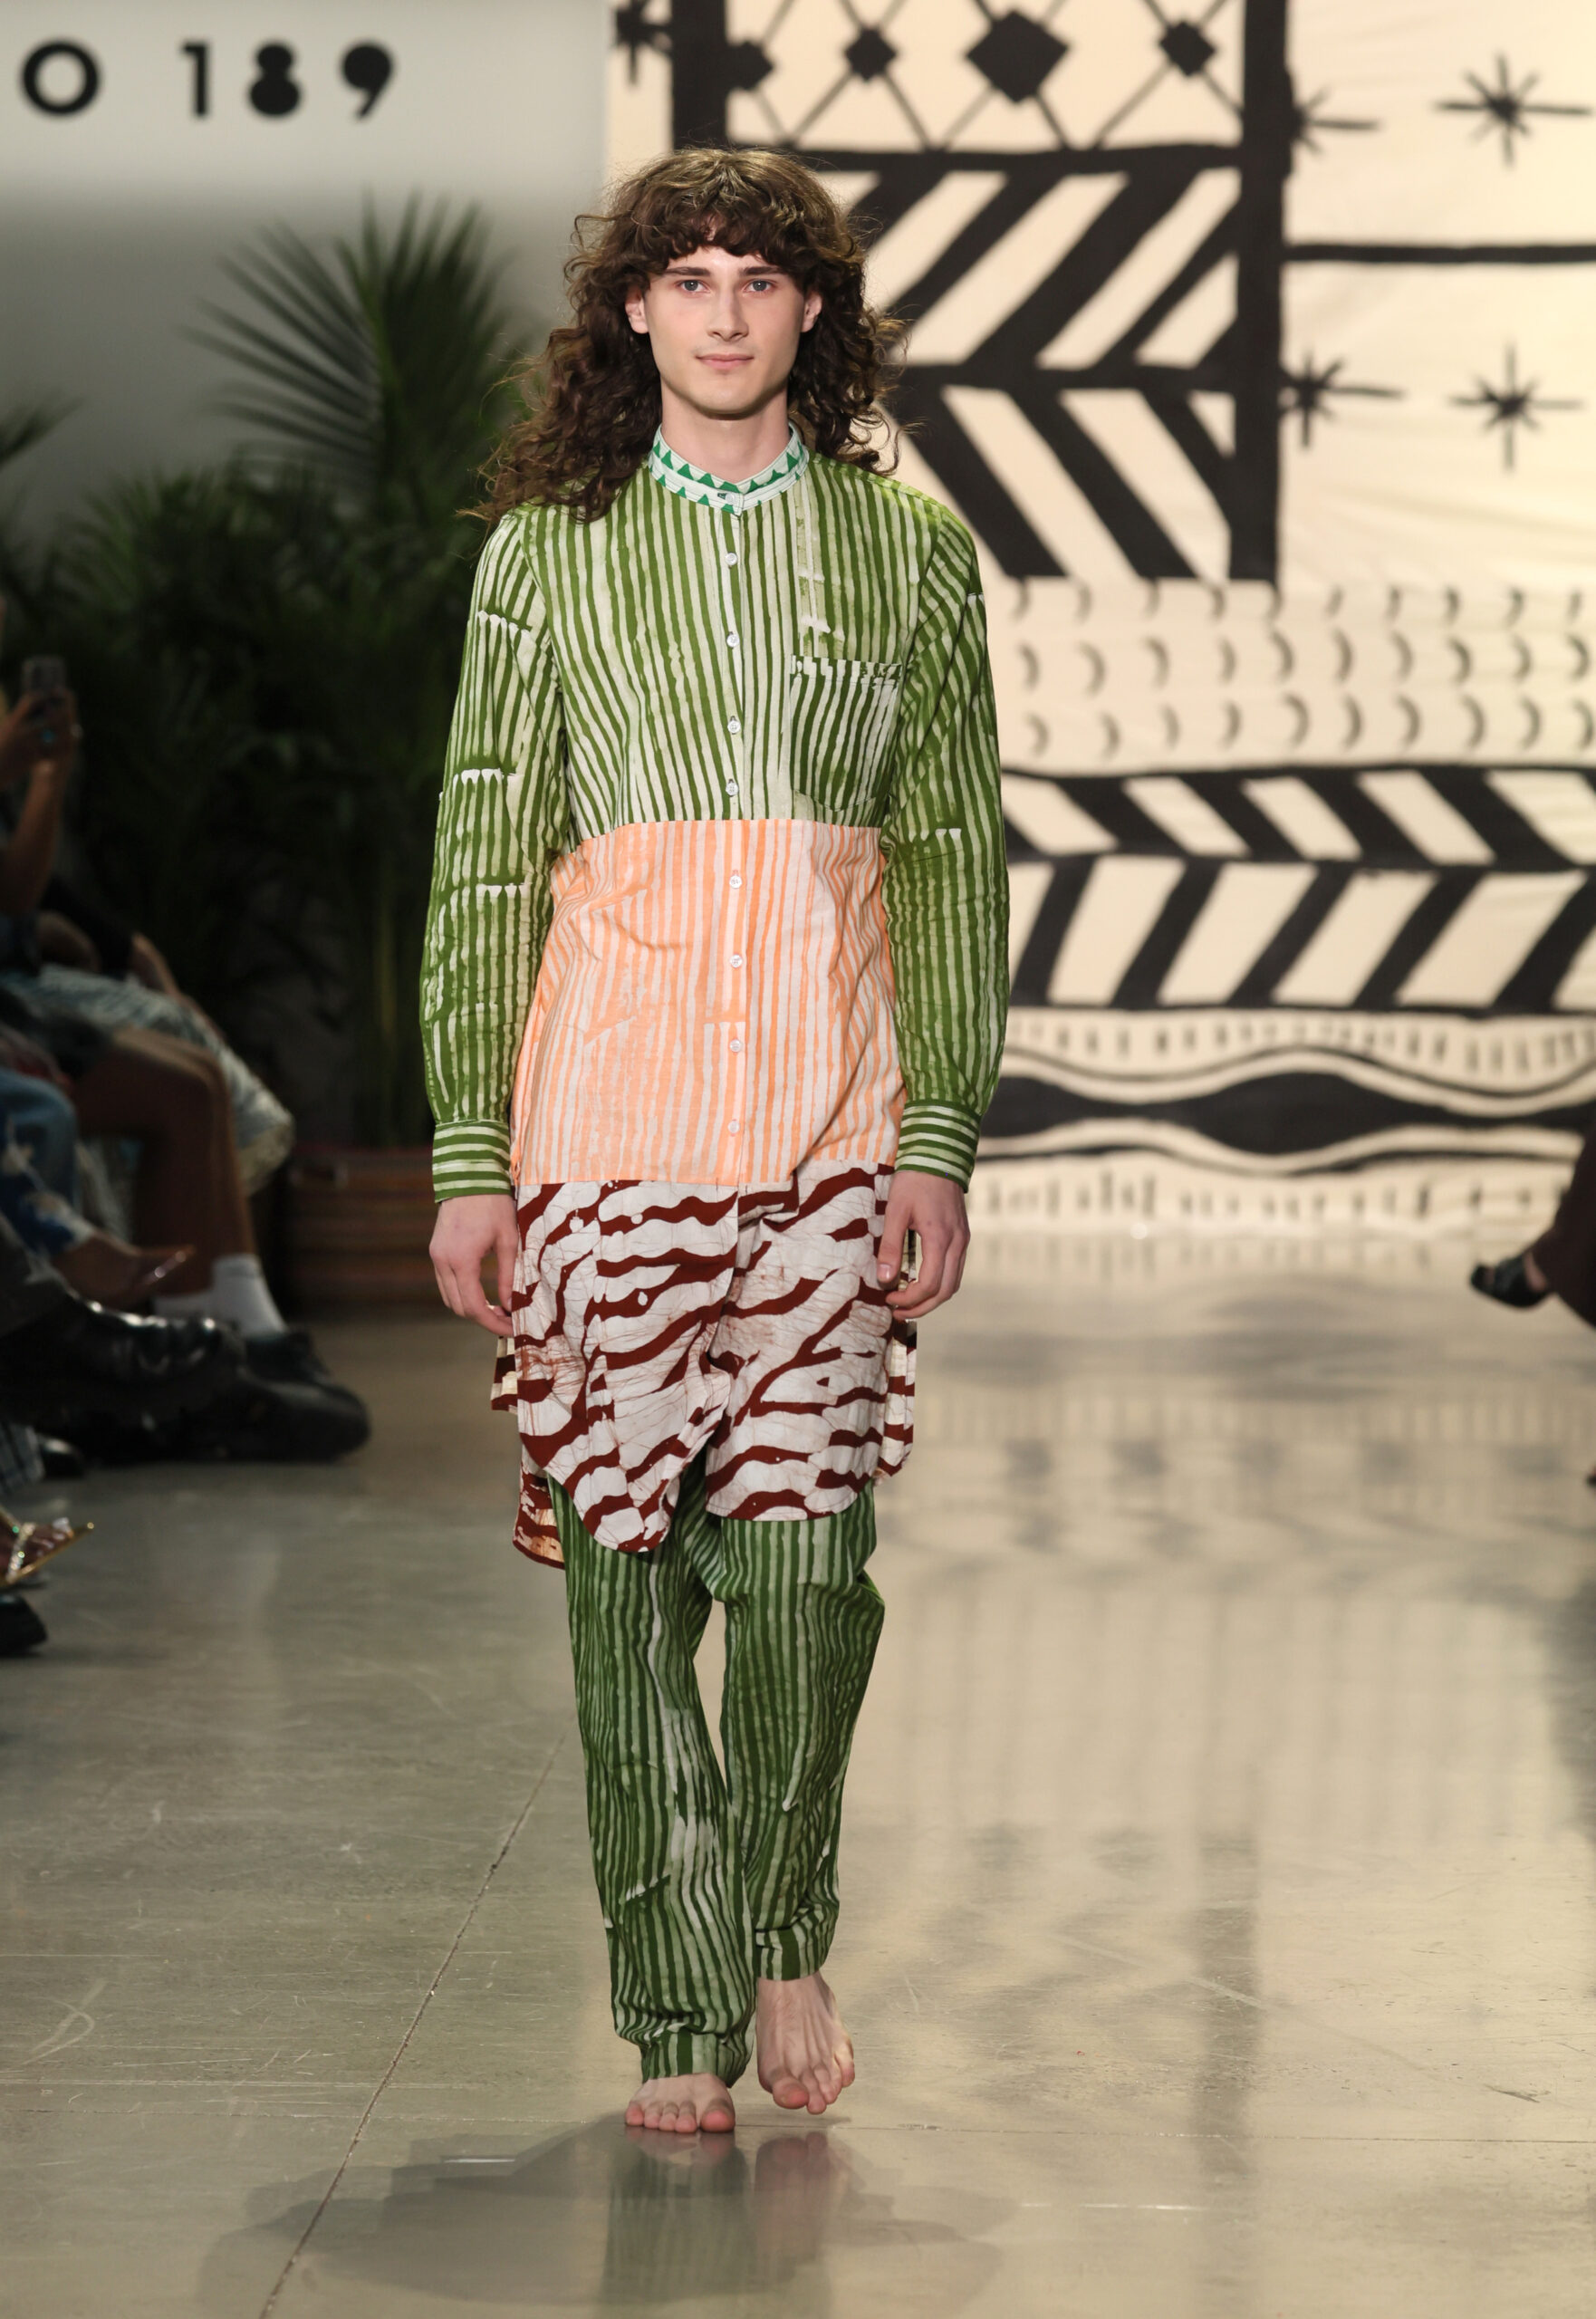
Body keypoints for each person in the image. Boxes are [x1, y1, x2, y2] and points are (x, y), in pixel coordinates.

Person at [421, 149, 1006, 2135]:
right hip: (603, 1129)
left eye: (760, 276)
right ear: (633, 311)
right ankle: (671, 1993)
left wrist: (937, 1131)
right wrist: (467, 1157)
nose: (726, 309)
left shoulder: (906, 554)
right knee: (624, 1585)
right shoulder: (544, 556)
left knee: (810, 1571)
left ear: (813, 309)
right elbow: (484, 859)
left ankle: (780, 1929)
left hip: (832, 1127)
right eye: (687, 277)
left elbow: (951, 857)